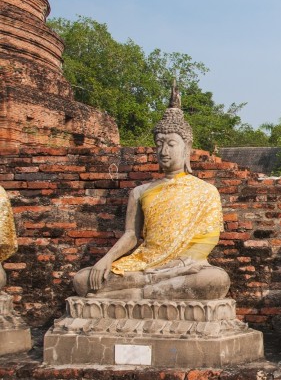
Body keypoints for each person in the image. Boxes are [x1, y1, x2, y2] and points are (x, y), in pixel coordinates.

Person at [72, 83, 229, 300]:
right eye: (159, 144)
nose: (163, 151)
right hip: (144, 264)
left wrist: (177, 265)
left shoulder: (206, 191)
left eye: (171, 144)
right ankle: (145, 291)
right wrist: (106, 259)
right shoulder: (140, 191)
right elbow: (131, 235)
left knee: (215, 281)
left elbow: (208, 239)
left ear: (187, 149)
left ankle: (134, 294)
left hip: (182, 268)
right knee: (83, 280)